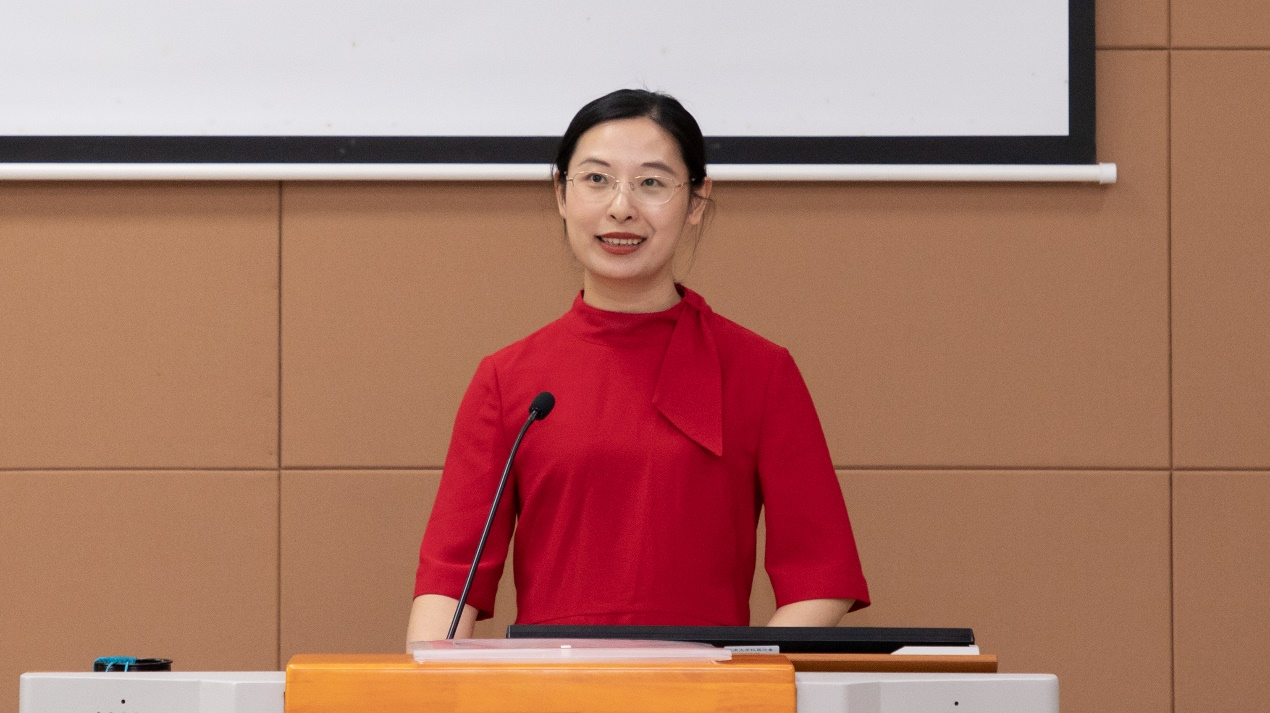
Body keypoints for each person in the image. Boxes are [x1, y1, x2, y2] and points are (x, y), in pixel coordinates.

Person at [407, 89, 868, 643]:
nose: (621, 206)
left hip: (707, 684)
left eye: (651, 182)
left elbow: (822, 577)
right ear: (560, 193)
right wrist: (429, 678)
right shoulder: (509, 380)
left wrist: (743, 676)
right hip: (549, 682)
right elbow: (449, 586)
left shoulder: (760, 371)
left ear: (696, 201)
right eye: (596, 179)